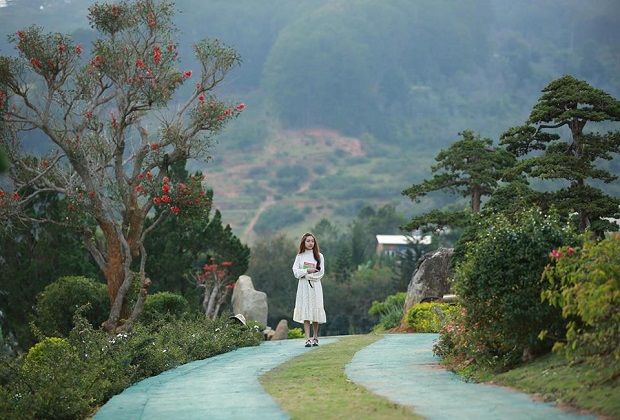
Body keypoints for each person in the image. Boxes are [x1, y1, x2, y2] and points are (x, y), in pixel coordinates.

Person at [292, 232, 326, 347]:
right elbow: (295, 272)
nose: (310, 243)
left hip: (316, 286)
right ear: (304, 242)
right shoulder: (299, 256)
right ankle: (307, 339)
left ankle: (315, 337)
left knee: (315, 310)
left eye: (312, 241)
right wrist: (306, 271)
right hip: (303, 287)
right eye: (308, 241)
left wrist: (309, 276)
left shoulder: (319, 256)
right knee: (306, 311)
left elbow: (321, 273)